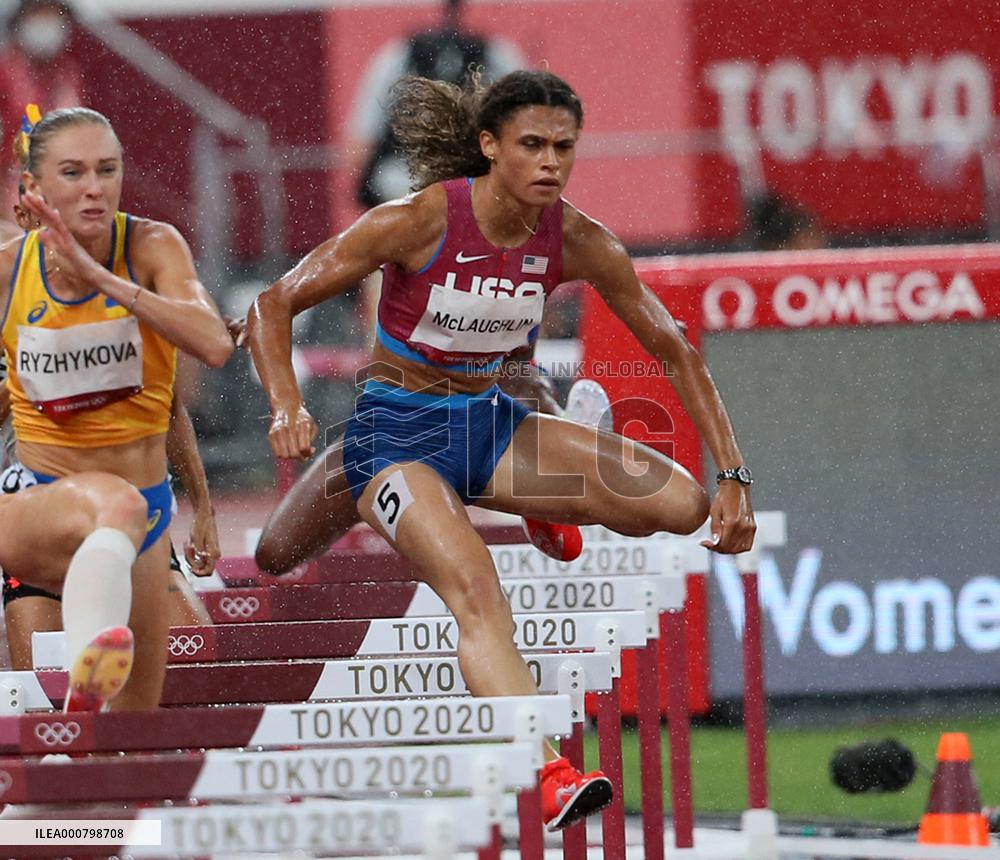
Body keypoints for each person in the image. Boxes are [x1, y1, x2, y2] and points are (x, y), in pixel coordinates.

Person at [248, 70, 756, 831]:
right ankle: (546, 768)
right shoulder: (418, 221)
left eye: (563, 147)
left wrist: (735, 476)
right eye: (531, 146)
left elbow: (674, 349)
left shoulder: (577, 239)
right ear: (488, 147)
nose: (550, 163)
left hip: (491, 429)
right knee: (346, 567)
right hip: (397, 436)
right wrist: (287, 406)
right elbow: (273, 301)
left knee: (681, 505)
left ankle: (541, 496)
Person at [0, 106, 233, 710]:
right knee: (112, 501)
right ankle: (82, 668)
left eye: (107, 169)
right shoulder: (9, 271)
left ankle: (87, 751)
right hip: (36, 503)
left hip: (146, 516)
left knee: (131, 732)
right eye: (73, 172)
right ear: (34, 187)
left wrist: (106, 284)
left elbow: (212, 343)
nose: (94, 187)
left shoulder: (153, 248)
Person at [0, 3, 82, 229]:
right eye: (40, 13)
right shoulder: (5, 71)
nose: (47, 24)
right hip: (12, 192)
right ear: (22, 20)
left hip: (56, 195)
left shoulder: (66, 74)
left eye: (54, 15)